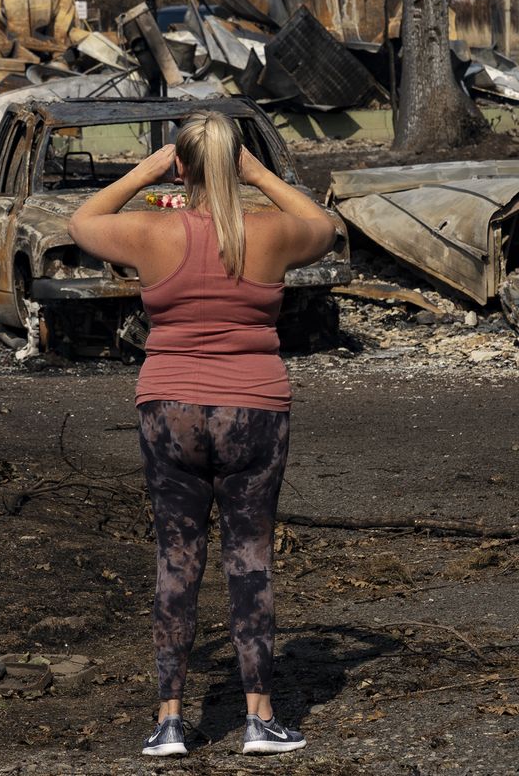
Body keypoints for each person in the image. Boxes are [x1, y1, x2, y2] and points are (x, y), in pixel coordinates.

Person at [68, 110, 337, 757]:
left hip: (170, 410)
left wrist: (149, 169)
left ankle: (168, 722)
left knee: (176, 560)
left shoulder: (149, 231)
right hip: (253, 410)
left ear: (180, 166)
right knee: (250, 559)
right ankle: (259, 718)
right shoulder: (269, 232)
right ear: (235, 164)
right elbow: (326, 226)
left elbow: (79, 223)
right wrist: (257, 173)